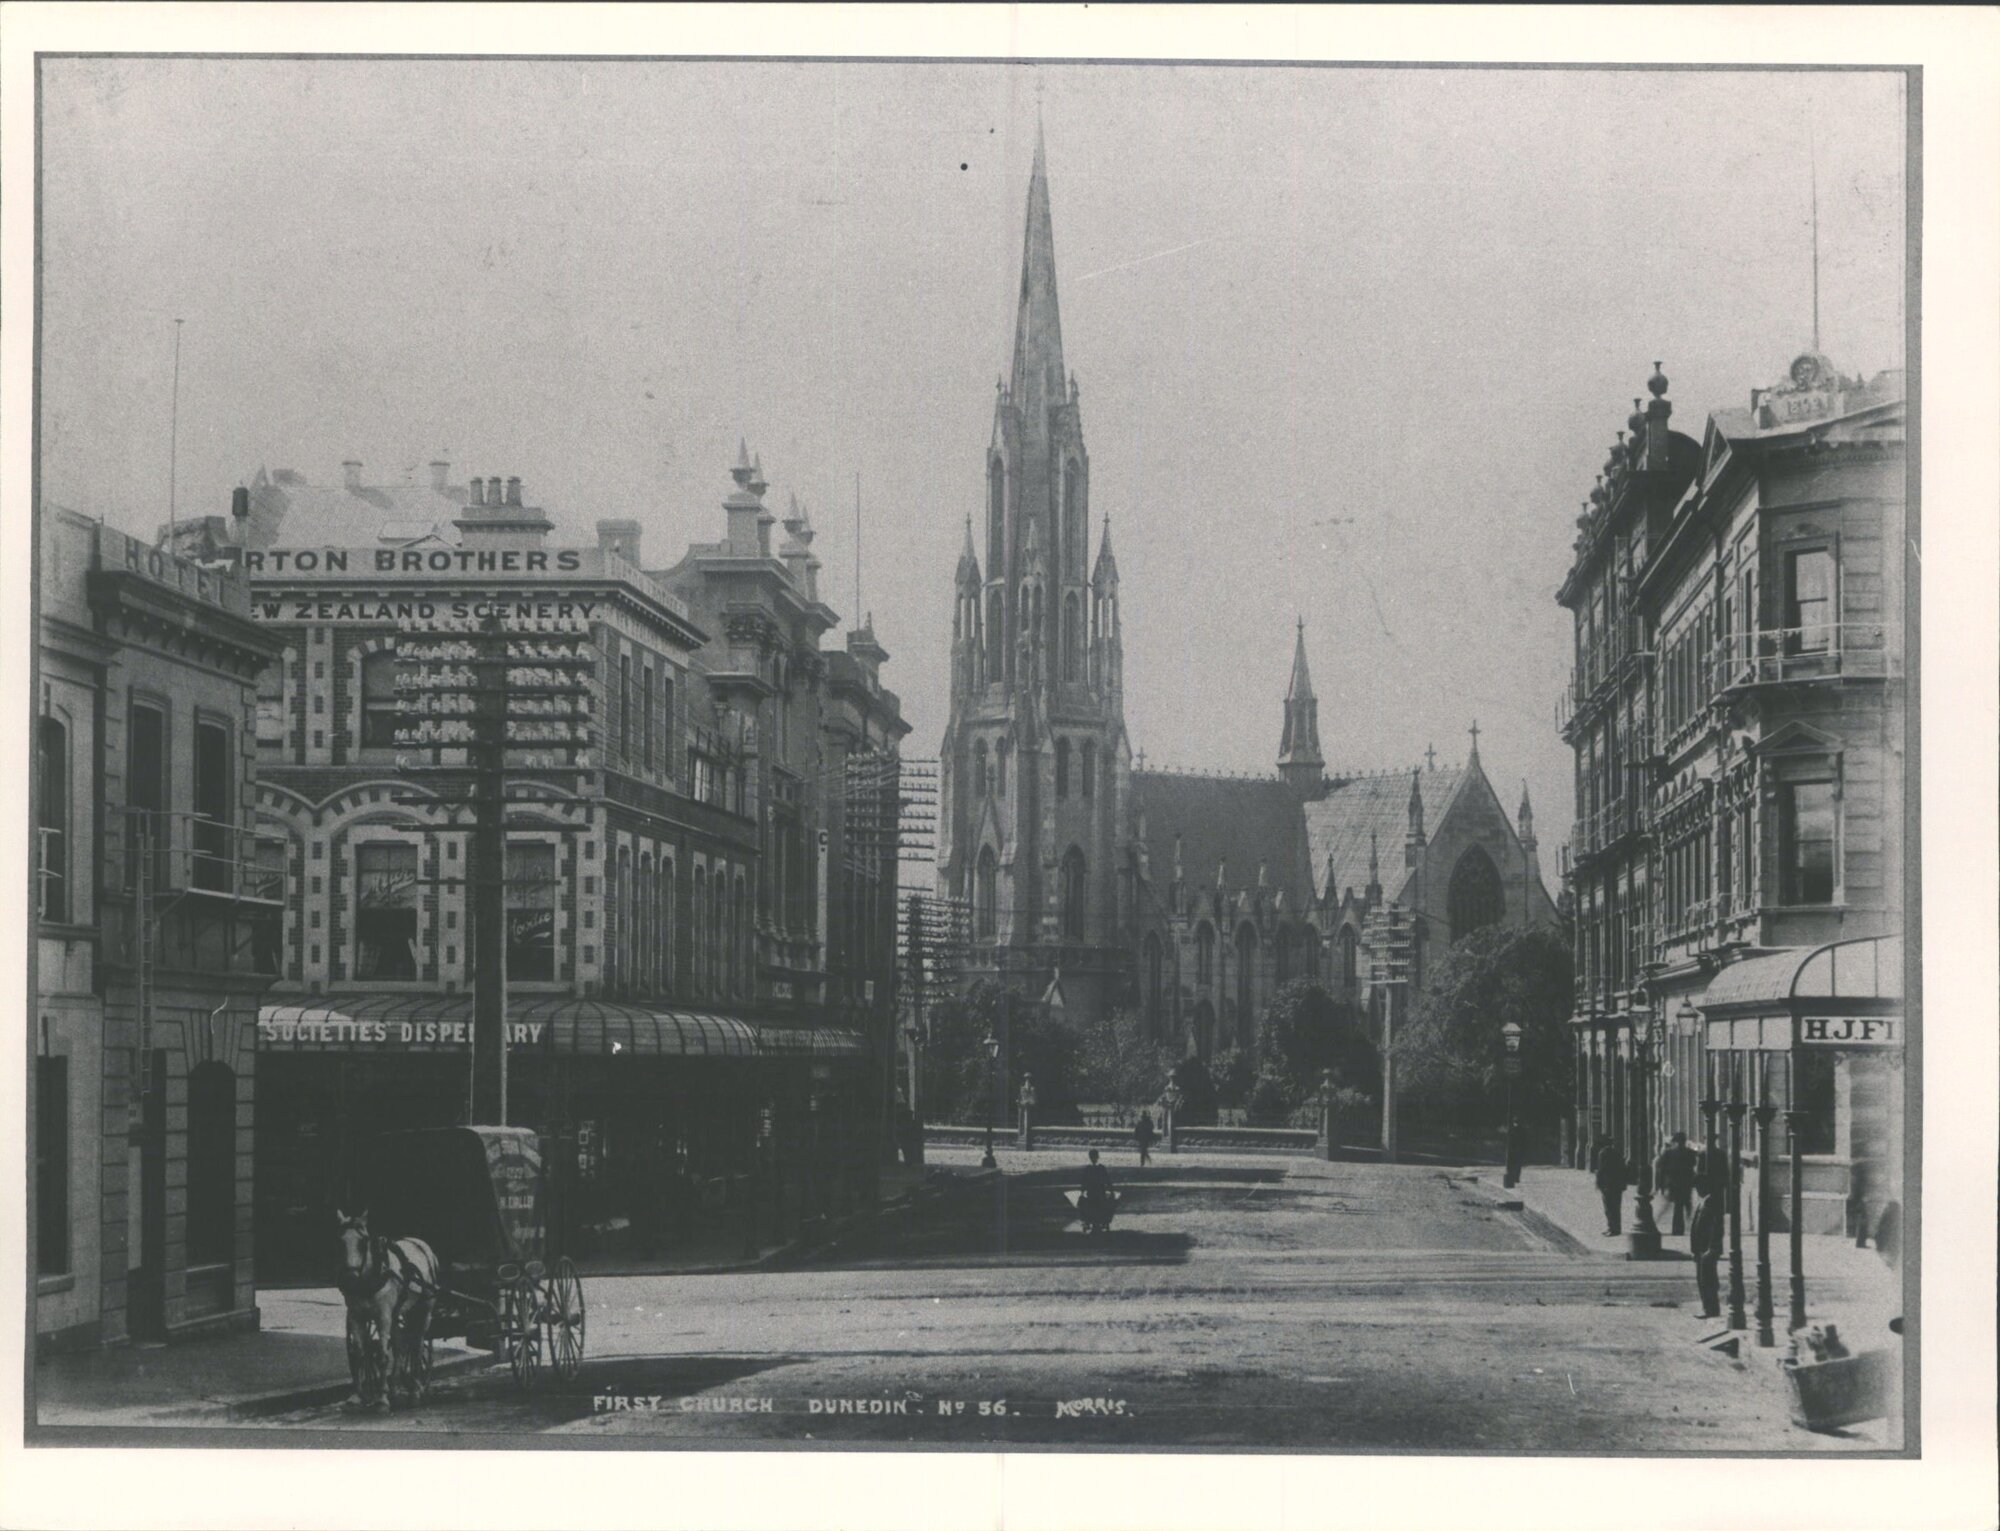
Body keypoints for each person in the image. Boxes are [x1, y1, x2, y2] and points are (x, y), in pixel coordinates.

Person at [1687, 1145, 1727, 1319]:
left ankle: (1711, 1310)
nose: (1698, 1191)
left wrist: (1713, 1248)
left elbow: (1717, 1227)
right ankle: (1707, 1308)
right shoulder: (1703, 1202)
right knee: (1702, 1280)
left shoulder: (1711, 1203)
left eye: (1699, 1188)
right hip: (1700, 1250)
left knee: (1708, 1281)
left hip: (1708, 1250)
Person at [1654, 1131, 1698, 1236]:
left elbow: (1661, 1168)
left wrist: (1660, 1185)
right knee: (1686, 1205)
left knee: (1675, 1206)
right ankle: (1688, 1227)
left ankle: (1677, 1229)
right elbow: (1693, 1166)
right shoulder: (1690, 1153)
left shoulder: (1669, 1153)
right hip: (1686, 1184)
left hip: (1673, 1184)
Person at [1592, 1135, 1627, 1236]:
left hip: (1607, 1185)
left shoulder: (1603, 1153)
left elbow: (1602, 1170)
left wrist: (1598, 1182)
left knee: (1609, 1208)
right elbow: (1622, 1168)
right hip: (1617, 1184)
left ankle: (1612, 1229)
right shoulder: (1617, 1152)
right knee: (1616, 1207)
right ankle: (1616, 1228)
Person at [1079, 1148, 1116, 1233]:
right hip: (1098, 1193)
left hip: (1093, 1194)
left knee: (1083, 1203)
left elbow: (1083, 1182)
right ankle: (1102, 1221)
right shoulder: (1100, 1168)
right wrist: (1111, 1190)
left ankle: (1087, 1221)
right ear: (1097, 1157)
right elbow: (1108, 1181)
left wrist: (1082, 1191)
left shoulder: (1088, 1169)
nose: (1094, 1158)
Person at [1503, 1117, 1525, 1189]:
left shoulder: (1512, 1129)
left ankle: (1513, 1177)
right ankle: (1515, 1177)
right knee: (1516, 1164)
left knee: (1513, 1164)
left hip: (1514, 1149)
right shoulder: (1520, 1130)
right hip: (1517, 1149)